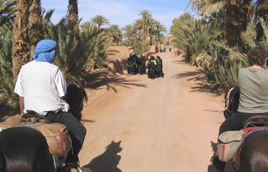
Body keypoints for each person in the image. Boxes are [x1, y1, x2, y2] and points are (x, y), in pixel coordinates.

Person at [14, 39, 91, 172]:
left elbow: (21, 95)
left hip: (29, 114)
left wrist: (23, 113)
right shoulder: (54, 70)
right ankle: (71, 162)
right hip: (53, 115)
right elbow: (62, 94)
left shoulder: (24, 68)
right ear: (49, 53)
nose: (54, 55)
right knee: (80, 131)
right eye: (53, 52)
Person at [213, 46, 268, 170]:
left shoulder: (242, 72)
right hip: (267, 113)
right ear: (265, 59)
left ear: (250, 58)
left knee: (224, 128)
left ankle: (220, 162)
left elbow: (237, 89)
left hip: (244, 115)